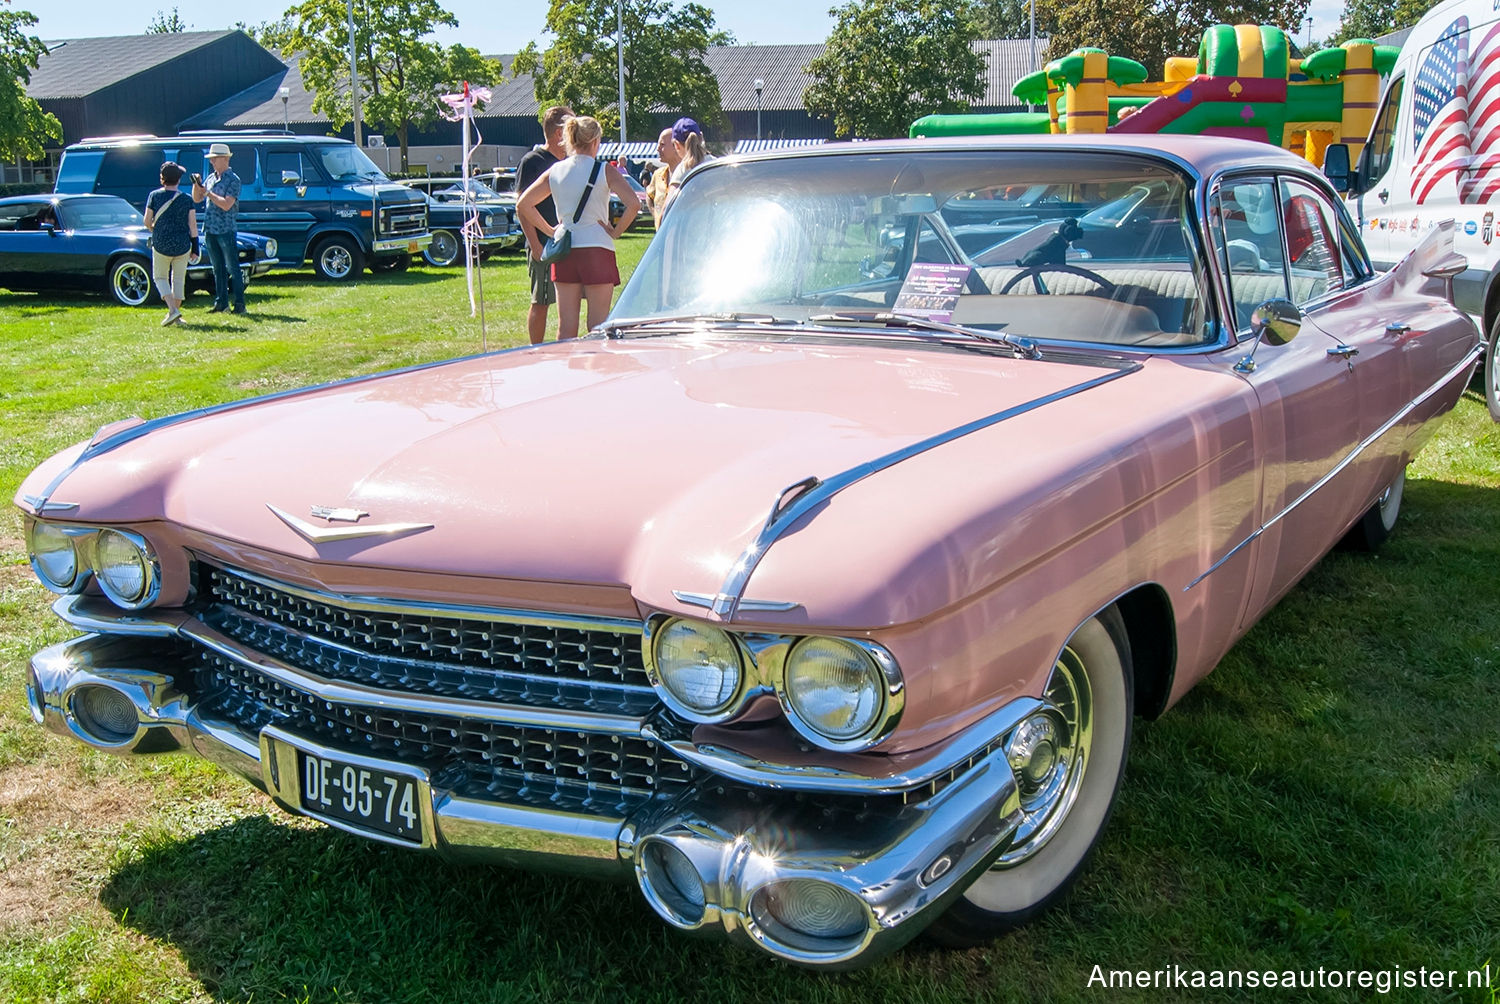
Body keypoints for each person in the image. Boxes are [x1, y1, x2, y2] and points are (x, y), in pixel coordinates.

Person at [516, 115, 639, 342]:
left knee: (566, 328)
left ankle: (566, 373)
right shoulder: (605, 170)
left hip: (565, 250)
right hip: (597, 248)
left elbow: (523, 204)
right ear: (595, 141)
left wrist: (551, 230)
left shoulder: (556, 170)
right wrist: (616, 231)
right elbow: (634, 203)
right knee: (597, 325)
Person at [516, 105, 574, 344]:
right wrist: (535, 245)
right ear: (559, 133)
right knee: (541, 301)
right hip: (543, 244)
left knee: (566, 301)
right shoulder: (532, 161)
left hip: (565, 242)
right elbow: (521, 206)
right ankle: (536, 351)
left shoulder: (569, 163)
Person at [142, 161, 198, 326]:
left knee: (160, 277)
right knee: (179, 279)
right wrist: (195, 248)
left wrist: (154, 229)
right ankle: (176, 315)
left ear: (162, 178)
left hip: (161, 243)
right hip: (182, 244)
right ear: (179, 179)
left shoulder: (154, 196)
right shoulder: (186, 199)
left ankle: (173, 311)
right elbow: (193, 227)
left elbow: (147, 220)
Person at [191, 142, 245, 315]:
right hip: (210, 228)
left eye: (214, 159)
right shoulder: (211, 178)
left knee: (233, 268)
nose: (212, 162)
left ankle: (239, 304)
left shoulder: (233, 180)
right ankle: (221, 303)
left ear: (224, 159)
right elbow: (197, 199)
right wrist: (197, 184)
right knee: (217, 268)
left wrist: (208, 193)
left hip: (226, 229)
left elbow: (227, 204)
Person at [660, 117, 712, 219]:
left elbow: (666, 210)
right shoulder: (716, 164)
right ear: (701, 137)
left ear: (676, 145)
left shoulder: (682, 170)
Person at [645, 127, 680, 223]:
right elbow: (649, 195)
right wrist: (656, 216)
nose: (658, 149)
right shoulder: (658, 175)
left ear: (676, 146)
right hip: (663, 236)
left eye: (662, 144)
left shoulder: (690, 175)